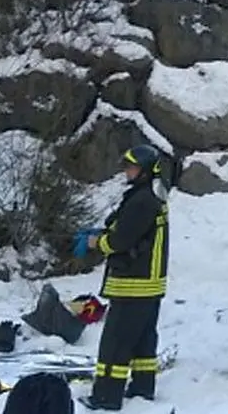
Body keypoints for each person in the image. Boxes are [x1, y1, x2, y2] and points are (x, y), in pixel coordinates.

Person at [80, 144, 171, 410]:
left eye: (131, 167)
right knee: (142, 340)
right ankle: (142, 389)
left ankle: (106, 397)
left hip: (133, 283)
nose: (127, 171)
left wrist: (98, 243)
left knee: (115, 344)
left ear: (144, 171)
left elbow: (121, 240)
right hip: (148, 285)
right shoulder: (150, 196)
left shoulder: (141, 201)